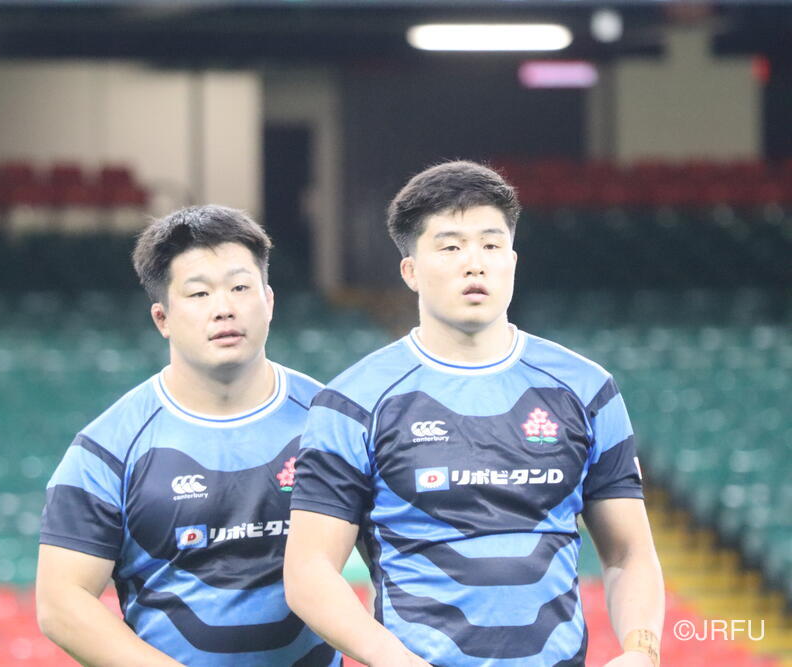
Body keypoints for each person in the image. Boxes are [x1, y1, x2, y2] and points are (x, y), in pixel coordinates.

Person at [284, 160, 664, 667]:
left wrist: (642, 650)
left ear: (513, 261)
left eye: (491, 244)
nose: (474, 264)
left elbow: (628, 554)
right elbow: (309, 571)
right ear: (410, 271)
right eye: (450, 247)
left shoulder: (587, 388)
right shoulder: (352, 403)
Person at [36, 205, 338, 666]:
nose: (224, 308)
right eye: (199, 293)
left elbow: (397, 551)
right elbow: (61, 603)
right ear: (162, 318)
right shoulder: (108, 448)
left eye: (240, 287)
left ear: (269, 301)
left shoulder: (334, 423)